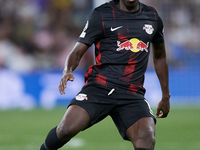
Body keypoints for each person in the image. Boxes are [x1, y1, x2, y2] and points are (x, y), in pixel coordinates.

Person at [40, 0, 170, 150]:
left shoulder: (152, 16)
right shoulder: (101, 14)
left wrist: (165, 96)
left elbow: (160, 57)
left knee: (146, 139)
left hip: (132, 94)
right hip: (99, 87)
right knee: (66, 129)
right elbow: (77, 51)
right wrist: (67, 70)